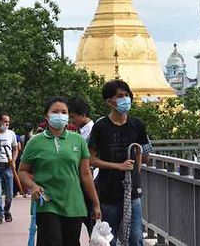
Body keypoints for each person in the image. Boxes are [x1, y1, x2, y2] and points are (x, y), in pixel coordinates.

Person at [19, 96, 101, 246]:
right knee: (52, 241)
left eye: (64, 112)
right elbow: (22, 171)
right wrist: (33, 186)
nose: (60, 115)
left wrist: (95, 203)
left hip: (73, 204)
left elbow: (86, 174)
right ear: (47, 115)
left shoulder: (78, 140)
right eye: (55, 111)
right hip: (47, 202)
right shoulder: (35, 142)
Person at [89, 80, 151, 246]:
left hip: (132, 191)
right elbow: (91, 159)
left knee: (136, 237)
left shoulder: (137, 125)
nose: (125, 99)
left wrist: (135, 172)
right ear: (110, 101)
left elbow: (143, 154)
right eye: (120, 96)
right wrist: (118, 166)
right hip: (109, 191)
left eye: (127, 95)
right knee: (109, 238)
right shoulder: (100, 126)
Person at [68, 97, 96, 235]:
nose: (71, 121)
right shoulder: (78, 133)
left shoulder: (94, 132)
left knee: (92, 224)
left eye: (73, 117)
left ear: (83, 114)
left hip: (91, 182)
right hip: (78, 183)